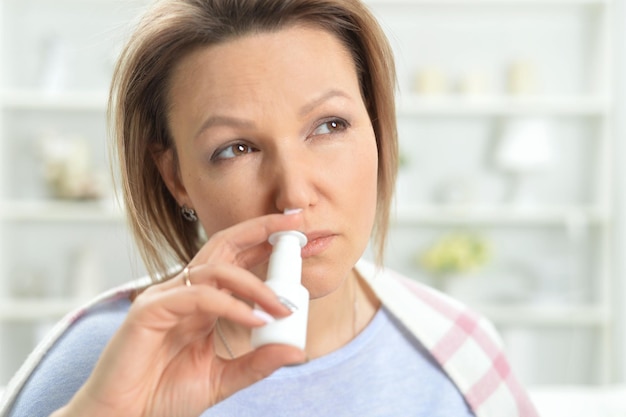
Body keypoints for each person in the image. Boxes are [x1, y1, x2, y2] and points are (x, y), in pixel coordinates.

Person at [1, 0, 538, 416]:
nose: (294, 194)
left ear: (376, 127)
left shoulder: (460, 352)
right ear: (176, 178)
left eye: (330, 125)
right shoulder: (104, 363)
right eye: (236, 149)